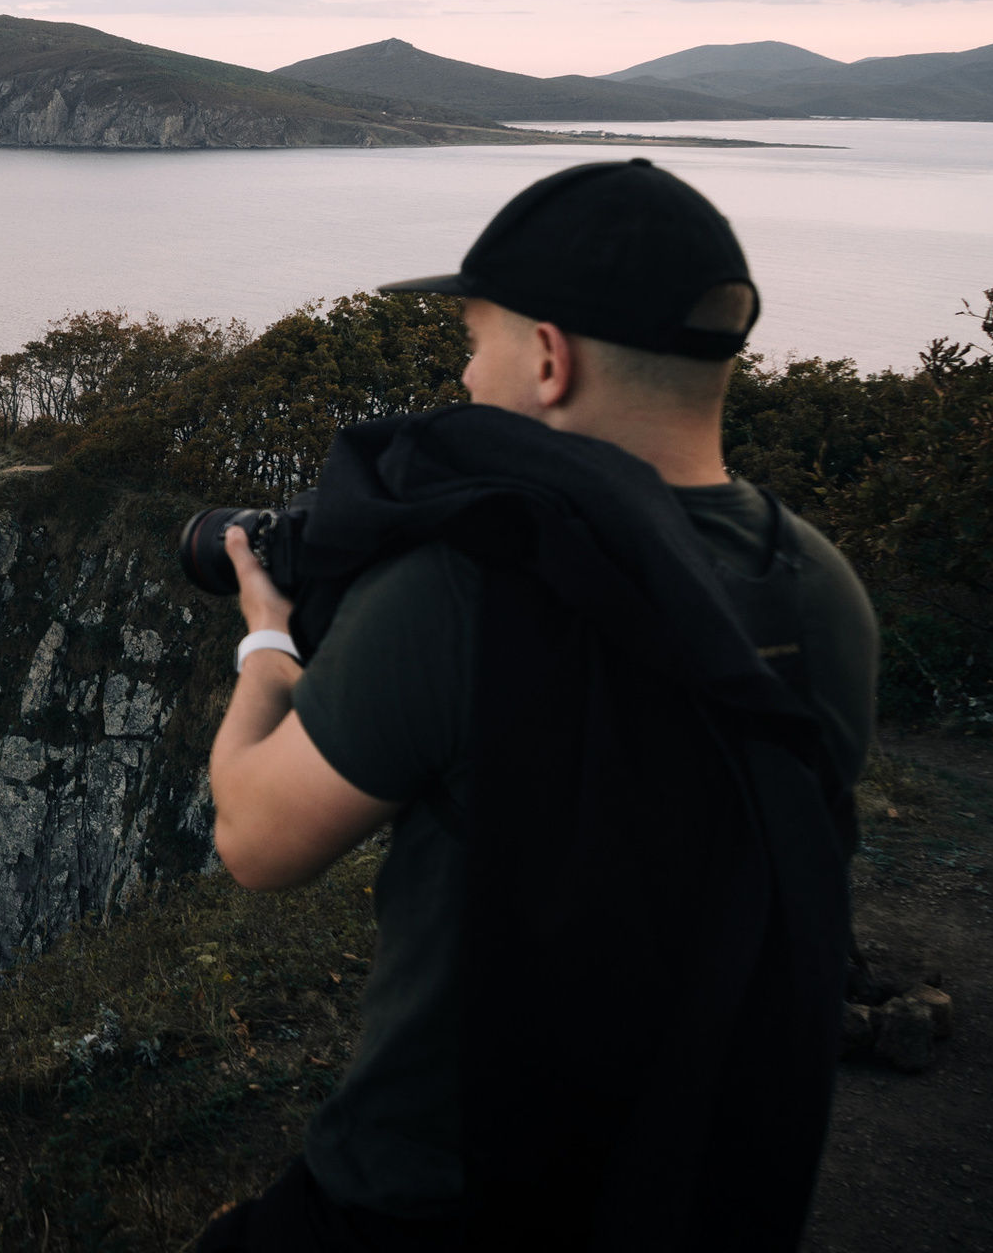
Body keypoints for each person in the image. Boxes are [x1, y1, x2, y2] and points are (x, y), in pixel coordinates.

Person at [192, 160, 878, 1252]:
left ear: (548, 359)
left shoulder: (469, 589)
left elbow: (256, 841)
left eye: (476, 341)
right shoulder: (820, 586)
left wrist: (268, 643)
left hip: (440, 1187)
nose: (464, 379)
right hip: (687, 1172)